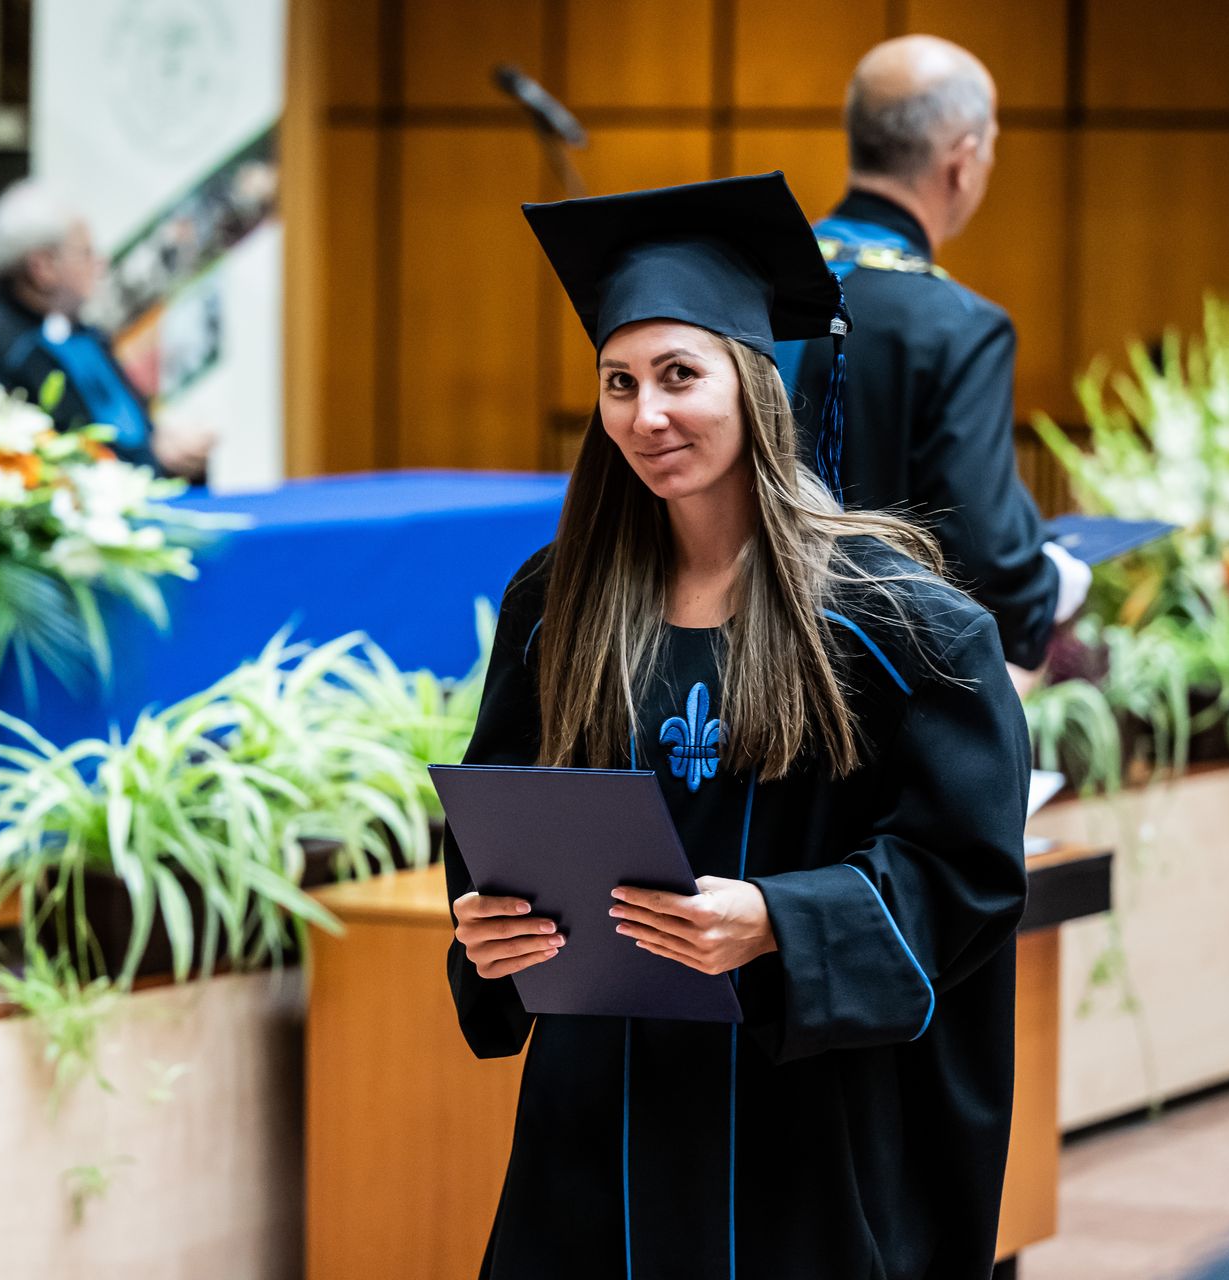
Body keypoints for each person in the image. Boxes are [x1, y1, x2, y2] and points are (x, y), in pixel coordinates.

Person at [446, 174, 1030, 1278]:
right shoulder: (557, 605)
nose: (647, 415)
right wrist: (490, 932)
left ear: (755, 384)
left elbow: (966, 869)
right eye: (619, 382)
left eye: (680, 374)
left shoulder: (895, 623)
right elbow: (501, 832)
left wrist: (780, 921)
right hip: (599, 1116)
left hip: (802, 1124)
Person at [780, 35, 1088, 677]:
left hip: (725, 669)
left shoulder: (749, 284)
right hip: (873, 691)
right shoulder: (956, 327)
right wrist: (1052, 586)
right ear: (963, 161)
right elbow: (991, 564)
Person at [0, 179, 213, 479]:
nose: (100, 264)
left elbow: (134, 425)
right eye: (86, 253)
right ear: (43, 267)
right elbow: (62, 457)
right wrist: (155, 460)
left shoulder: (82, 331)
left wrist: (167, 442)